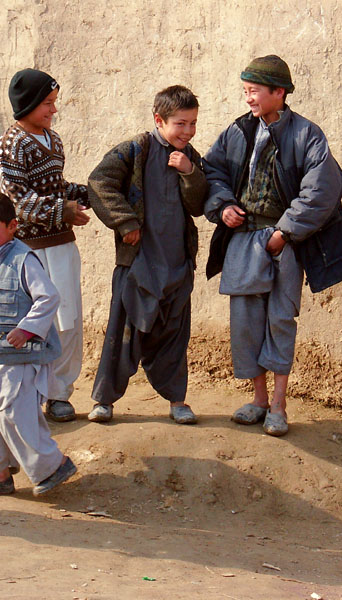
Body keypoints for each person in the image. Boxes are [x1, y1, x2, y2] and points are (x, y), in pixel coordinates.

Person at [203, 55, 342, 436]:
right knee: (246, 323)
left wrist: (282, 234)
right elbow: (213, 170)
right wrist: (223, 207)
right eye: (246, 91)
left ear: (279, 92)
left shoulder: (307, 135)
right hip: (244, 239)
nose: (248, 99)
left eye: (254, 91)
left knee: (280, 320)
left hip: (283, 242)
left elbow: (321, 189)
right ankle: (258, 400)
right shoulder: (237, 132)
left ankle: (280, 405)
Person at [86, 85, 207, 424]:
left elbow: (198, 205)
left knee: (174, 335)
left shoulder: (191, 158)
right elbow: (99, 183)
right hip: (137, 263)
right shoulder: (134, 151)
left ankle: (176, 401)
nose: (188, 131)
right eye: (181, 123)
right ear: (159, 119)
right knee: (122, 332)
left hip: (176, 264)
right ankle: (104, 401)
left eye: (193, 123)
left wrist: (189, 173)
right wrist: (124, 222)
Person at [0, 68, 89, 423]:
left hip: (61, 246)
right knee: (29, 321)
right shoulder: (10, 145)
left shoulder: (53, 140)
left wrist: (88, 195)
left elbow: (55, 187)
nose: (53, 110)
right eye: (47, 103)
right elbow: (18, 204)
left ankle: (59, 393)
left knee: (68, 320)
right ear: (28, 104)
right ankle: (25, 395)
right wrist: (66, 210)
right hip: (26, 251)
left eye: (53, 102)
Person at [0, 192, 77, 499]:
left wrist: (27, 329)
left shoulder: (23, 258)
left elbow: (48, 297)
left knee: (17, 411)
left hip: (19, 357)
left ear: (12, 226)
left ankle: (53, 466)